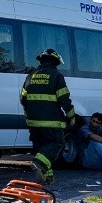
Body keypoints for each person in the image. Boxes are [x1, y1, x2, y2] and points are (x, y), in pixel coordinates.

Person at [20, 48, 76, 184]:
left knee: (41, 149)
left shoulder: (31, 76)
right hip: (51, 122)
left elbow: (23, 98)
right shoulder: (56, 76)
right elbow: (64, 99)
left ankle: (47, 177)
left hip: (33, 122)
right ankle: (38, 163)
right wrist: (71, 116)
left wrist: (30, 115)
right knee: (56, 144)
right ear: (55, 62)